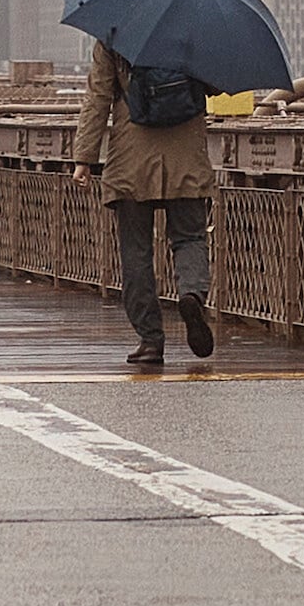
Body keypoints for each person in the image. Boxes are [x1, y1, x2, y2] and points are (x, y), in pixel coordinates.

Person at [68, 38, 218, 369]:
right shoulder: (193, 27)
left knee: (136, 251)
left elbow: (98, 99)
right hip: (186, 154)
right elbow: (216, 85)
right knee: (190, 238)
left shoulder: (114, 34)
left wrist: (84, 158)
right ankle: (192, 295)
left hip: (131, 157)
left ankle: (150, 340)